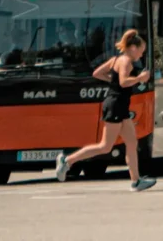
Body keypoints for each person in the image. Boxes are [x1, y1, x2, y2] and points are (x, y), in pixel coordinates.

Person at [55, 29, 156, 191]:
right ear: (133, 48)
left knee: (131, 142)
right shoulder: (126, 62)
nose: (141, 55)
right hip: (115, 105)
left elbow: (97, 73)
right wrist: (139, 78)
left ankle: (136, 181)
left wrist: (112, 81)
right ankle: (67, 161)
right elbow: (123, 82)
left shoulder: (116, 59)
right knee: (105, 146)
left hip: (119, 105)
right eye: (141, 51)